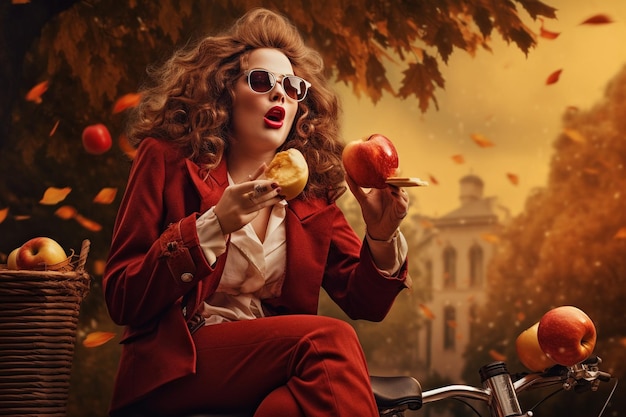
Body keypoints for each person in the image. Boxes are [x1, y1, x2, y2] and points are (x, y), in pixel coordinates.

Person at [103, 7, 411, 417]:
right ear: (222, 92)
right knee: (326, 340)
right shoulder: (165, 159)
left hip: (271, 370)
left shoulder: (312, 195)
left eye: (293, 86)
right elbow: (123, 297)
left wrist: (380, 235)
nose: (279, 93)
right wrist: (214, 225)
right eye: (262, 80)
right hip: (178, 364)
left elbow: (366, 304)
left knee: (288, 408)